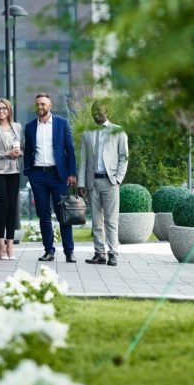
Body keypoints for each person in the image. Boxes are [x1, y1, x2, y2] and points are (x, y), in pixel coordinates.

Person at [23, 92, 77, 262]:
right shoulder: (30, 127)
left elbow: (70, 150)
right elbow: (28, 152)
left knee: (63, 213)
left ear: (50, 106)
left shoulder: (62, 124)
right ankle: (49, 251)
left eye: (43, 104)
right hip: (38, 175)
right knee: (43, 214)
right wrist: (29, 172)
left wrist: (72, 173)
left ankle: (69, 251)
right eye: (38, 104)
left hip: (58, 174)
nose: (40, 107)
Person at [78, 100, 129, 266]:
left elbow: (124, 157)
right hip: (92, 182)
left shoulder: (118, 131)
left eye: (99, 111)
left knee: (111, 220)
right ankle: (99, 253)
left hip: (110, 182)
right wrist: (81, 183)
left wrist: (118, 178)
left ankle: (113, 253)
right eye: (94, 111)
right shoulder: (87, 133)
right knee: (96, 221)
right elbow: (84, 160)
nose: (96, 114)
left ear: (107, 112)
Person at [0, 98, 24, 260]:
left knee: (12, 208)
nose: (1, 111)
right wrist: (5, 153)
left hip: (14, 171)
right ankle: (0, 245)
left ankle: (10, 245)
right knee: (3, 206)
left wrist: (18, 153)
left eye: (4, 108)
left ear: (9, 110)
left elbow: (22, 149)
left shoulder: (17, 127)